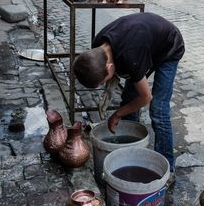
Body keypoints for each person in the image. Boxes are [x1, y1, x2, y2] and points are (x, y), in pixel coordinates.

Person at [72, 13, 185, 173]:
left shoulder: (129, 56)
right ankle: (128, 151)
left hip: (169, 46)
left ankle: (168, 169)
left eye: (104, 81)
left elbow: (145, 97)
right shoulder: (98, 45)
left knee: (159, 110)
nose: (105, 84)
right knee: (129, 98)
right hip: (144, 46)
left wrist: (117, 114)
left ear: (110, 68)